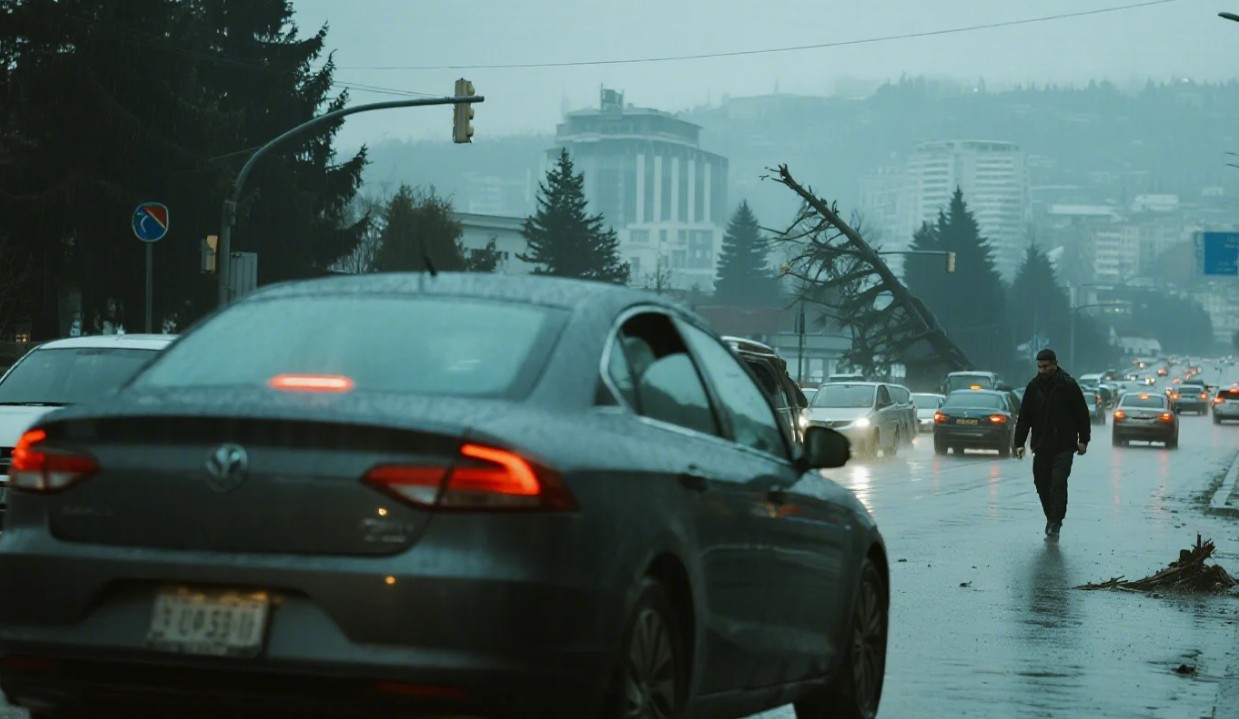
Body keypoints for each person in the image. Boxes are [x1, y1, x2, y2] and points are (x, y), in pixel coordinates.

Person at [1013, 349, 1091, 540]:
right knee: (1041, 483)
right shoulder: (1033, 387)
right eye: (1039, 367)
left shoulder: (1068, 385)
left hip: (1065, 445)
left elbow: (1082, 414)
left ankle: (1056, 521)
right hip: (1041, 445)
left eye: (1046, 366)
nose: (1042, 370)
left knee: (1058, 483)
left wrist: (1083, 440)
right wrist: (1019, 443)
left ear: (1055, 364)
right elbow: (1024, 417)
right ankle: (1051, 517)